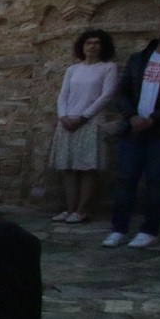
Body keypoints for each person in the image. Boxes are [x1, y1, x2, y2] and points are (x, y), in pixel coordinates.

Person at [104, 13, 160, 249]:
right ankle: (119, 229)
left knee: (156, 181)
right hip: (133, 130)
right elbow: (121, 92)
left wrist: (154, 118)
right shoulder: (138, 59)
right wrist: (132, 116)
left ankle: (149, 230)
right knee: (126, 179)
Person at [50, 29, 121, 224]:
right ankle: (69, 208)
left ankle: (82, 210)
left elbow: (106, 95)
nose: (92, 46)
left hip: (90, 122)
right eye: (88, 43)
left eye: (97, 43)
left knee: (87, 167)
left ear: (103, 46)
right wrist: (63, 116)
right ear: (82, 46)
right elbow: (63, 94)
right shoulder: (73, 69)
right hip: (67, 122)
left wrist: (84, 117)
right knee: (68, 168)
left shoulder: (108, 68)